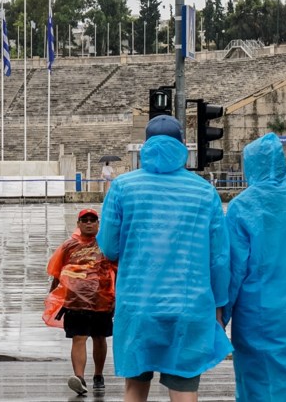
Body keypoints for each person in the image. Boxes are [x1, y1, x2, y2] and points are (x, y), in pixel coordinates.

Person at [96, 114, 231, 402]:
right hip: (189, 306)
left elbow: (108, 247)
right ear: (182, 144)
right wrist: (220, 306)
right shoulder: (204, 191)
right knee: (184, 388)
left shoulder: (123, 187)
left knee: (135, 387)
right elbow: (219, 258)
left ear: (146, 145)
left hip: (138, 304)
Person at [223, 133, 286, 401]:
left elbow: (233, 269)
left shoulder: (241, 207)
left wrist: (222, 315)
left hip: (257, 313)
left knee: (260, 384)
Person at [47, 208, 117, 396]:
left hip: (102, 301)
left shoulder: (107, 246)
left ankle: (98, 375)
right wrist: (53, 296)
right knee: (79, 338)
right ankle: (79, 377)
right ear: (78, 224)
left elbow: (117, 270)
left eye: (92, 220)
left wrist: (117, 297)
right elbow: (57, 272)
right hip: (75, 301)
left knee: (99, 338)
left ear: (98, 224)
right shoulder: (68, 246)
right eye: (84, 220)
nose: (88, 223)